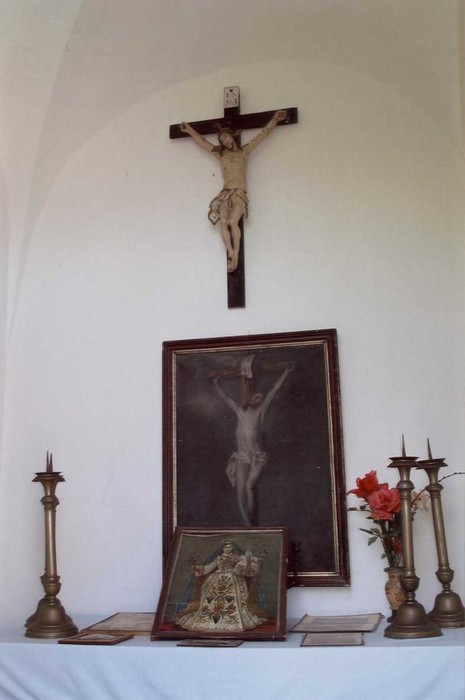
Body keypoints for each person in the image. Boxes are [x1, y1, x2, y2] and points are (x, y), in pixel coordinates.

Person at [180, 110, 288, 272]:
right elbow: (202, 142)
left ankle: (236, 254)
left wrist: (275, 120)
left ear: (232, 137)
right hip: (225, 193)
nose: (225, 141)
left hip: (239, 192)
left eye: (226, 137)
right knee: (223, 222)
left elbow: (263, 135)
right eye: (222, 140)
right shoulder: (220, 155)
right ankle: (230, 252)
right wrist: (189, 130)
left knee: (232, 221)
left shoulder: (244, 151)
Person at [213, 362, 294, 526]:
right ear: (250, 398)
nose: (258, 399)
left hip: (257, 455)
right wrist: (216, 382)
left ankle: (254, 522)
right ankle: (247, 524)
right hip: (242, 456)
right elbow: (225, 398)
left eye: (260, 399)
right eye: (256, 397)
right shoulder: (239, 411)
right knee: (240, 490)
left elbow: (274, 391)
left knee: (250, 486)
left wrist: (285, 372)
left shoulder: (260, 412)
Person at [175, 541, 266, 632]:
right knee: (211, 599)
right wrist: (198, 567)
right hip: (217, 578)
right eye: (226, 547)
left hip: (233, 578)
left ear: (232, 548)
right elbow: (209, 567)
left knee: (235, 598)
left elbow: (246, 566)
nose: (228, 549)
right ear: (223, 549)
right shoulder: (218, 558)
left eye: (230, 547)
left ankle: (233, 618)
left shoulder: (236, 557)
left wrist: (251, 558)